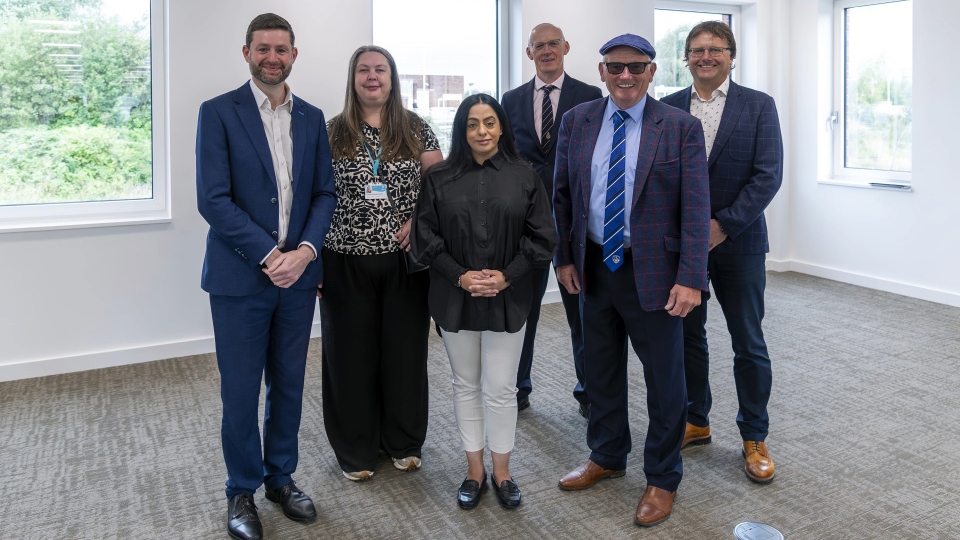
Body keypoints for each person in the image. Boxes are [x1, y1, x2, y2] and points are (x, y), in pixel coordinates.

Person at [552, 34, 710, 527]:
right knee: (598, 369)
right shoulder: (577, 122)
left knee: (665, 380)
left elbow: (696, 207)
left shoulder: (680, 127)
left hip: (658, 276)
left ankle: (662, 477)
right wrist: (564, 258)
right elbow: (561, 195)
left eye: (636, 67)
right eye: (616, 67)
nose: (625, 76)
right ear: (601, 71)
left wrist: (691, 278)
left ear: (652, 71)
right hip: (595, 265)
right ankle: (607, 453)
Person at [195, 13, 336, 540]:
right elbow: (213, 198)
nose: (271, 57)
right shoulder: (218, 113)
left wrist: (303, 251)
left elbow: (323, 192)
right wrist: (267, 253)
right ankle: (241, 490)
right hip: (240, 280)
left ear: (294, 54)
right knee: (240, 390)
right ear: (246, 52)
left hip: (298, 278)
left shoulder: (312, 117)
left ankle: (281, 477)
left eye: (281, 49)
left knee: (289, 384)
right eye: (262, 48)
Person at [411, 93, 556, 510]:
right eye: (473, 124)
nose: (482, 132)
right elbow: (425, 237)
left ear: (502, 128)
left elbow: (542, 236)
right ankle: (474, 472)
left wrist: (505, 276)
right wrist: (460, 275)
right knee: (465, 384)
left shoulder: (525, 175)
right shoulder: (438, 177)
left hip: (508, 298)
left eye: (489, 122)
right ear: (461, 129)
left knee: (501, 388)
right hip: (454, 296)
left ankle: (503, 471)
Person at [660, 21, 783, 483]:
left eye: (715, 49)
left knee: (748, 340)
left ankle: (754, 434)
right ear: (686, 57)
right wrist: (691, 232)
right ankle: (697, 420)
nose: (705, 56)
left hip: (741, 243)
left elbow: (767, 175)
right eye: (696, 50)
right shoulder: (668, 108)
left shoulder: (758, 107)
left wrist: (722, 226)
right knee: (687, 336)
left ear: (732, 55)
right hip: (682, 247)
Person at [319, 45, 443, 482]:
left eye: (381, 70)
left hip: (406, 263)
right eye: (364, 70)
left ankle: (404, 442)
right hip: (343, 261)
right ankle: (356, 449)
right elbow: (313, 198)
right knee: (349, 357)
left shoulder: (415, 129)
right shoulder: (330, 131)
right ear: (353, 79)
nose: (373, 77)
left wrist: (420, 220)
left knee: (405, 354)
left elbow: (440, 182)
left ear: (392, 79)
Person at [500, 23, 603, 417]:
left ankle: (589, 392)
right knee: (522, 312)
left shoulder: (591, 96)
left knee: (581, 313)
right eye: (539, 46)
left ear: (566, 48)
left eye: (553, 44)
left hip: (575, 223)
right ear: (529, 53)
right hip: (524, 224)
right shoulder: (510, 100)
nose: (547, 51)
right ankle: (517, 389)